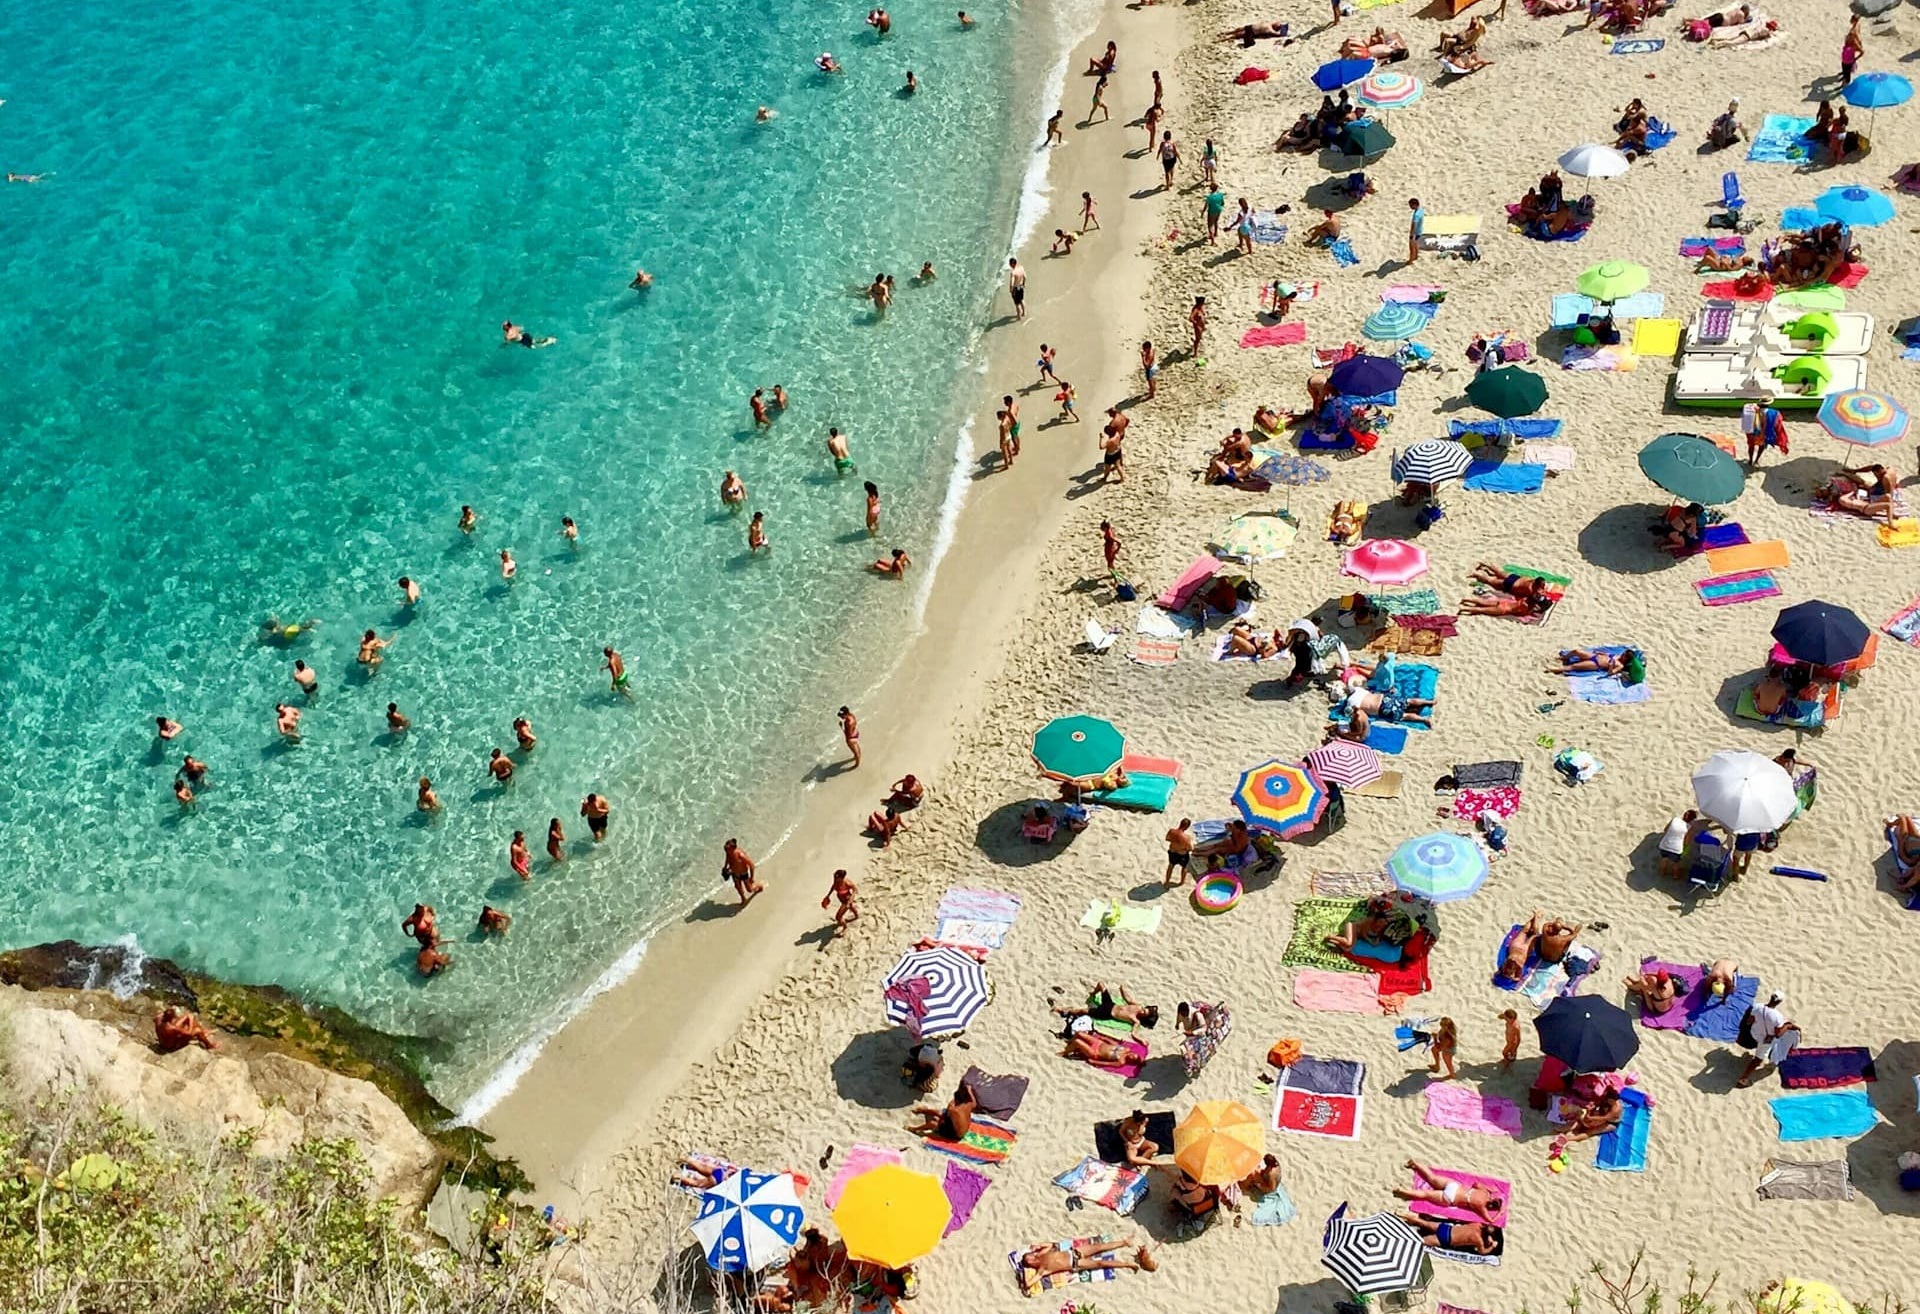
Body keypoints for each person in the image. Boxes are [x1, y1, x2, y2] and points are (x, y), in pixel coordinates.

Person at [1396, 1160, 1501, 1220]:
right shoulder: (1481, 1206)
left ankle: (1415, 1163)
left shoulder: (1485, 1193)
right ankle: (1401, 1190)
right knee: (1425, 1194)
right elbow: (1490, 1220)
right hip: (1451, 1198)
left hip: (1454, 1186)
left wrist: (1490, 1189)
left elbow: (1476, 1184)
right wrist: (1500, 1213)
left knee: (1431, 1177)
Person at [1016, 1239, 1150, 1284]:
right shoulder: (1041, 1271)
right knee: (1101, 1263)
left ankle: (1124, 1242)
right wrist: (1025, 1275)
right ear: (1030, 1265)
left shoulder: (1041, 1254)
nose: (1033, 1258)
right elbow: (1029, 1284)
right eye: (1030, 1260)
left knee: (1099, 1247)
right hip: (1075, 1264)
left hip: (1073, 1252)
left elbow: (1050, 1245)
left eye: (1031, 1255)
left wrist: (1038, 1245)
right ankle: (1129, 1264)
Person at [1736, 992, 1797, 1086]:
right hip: (1765, 1039)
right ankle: (1743, 1079)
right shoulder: (1778, 1016)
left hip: (1754, 1032)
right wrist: (1788, 1026)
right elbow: (1778, 1034)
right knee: (1757, 1059)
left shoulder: (1757, 1007)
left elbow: (1749, 1021)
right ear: (1779, 1002)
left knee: (1760, 1050)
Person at [1055, 983, 1159, 1029]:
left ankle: (1062, 1010)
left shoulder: (1136, 1021)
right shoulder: (1138, 1006)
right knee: (1101, 985)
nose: (1142, 1011)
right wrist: (1122, 989)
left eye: (1144, 1013)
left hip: (1107, 1013)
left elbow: (1134, 1033)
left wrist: (1141, 1040)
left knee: (1083, 1011)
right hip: (1110, 1004)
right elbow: (1128, 999)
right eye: (1145, 1010)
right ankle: (1092, 993)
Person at [1401, 1212, 1500, 1256]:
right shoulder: (1477, 1239)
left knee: (1423, 1223)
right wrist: (1492, 1246)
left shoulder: (1477, 1224)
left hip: (1447, 1228)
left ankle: (1402, 1215)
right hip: (1446, 1238)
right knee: (1420, 1242)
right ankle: (1401, 1236)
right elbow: (1482, 1252)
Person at [906, 1081, 976, 1139]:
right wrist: (969, 1090)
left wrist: (952, 1102)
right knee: (940, 1113)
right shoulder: (967, 1105)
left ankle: (914, 1129)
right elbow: (974, 1102)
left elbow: (950, 1108)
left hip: (955, 1133)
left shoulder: (955, 1111)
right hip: (959, 1126)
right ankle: (922, 1111)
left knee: (934, 1123)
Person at [154, 1006, 219, 1053]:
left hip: (163, 1041)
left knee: (187, 1016)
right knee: (197, 1030)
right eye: (174, 1017)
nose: (175, 1018)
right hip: (170, 1046)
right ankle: (209, 1046)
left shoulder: (159, 1017)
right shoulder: (171, 1028)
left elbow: (155, 1020)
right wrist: (191, 1020)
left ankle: (203, 1032)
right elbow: (189, 1033)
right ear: (170, 1019)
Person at [1658, 809, 1701, 878]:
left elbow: (1665, 829)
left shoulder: (1675, 819)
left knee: (1664, 859)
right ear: (1692, 820)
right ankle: (1675, 875)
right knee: (1676, 863)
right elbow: (1686, 842)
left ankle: (1662, 872)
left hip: (1664, 845)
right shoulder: (1689, 827)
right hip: (1676, 850)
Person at [723, 838, 763, 904]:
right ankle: (743, 898)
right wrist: (725, 868)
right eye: (725, 848)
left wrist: (751, 878)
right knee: (737, 887)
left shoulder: (740, 855)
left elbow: (752, 865)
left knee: (749, 889)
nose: (725, 850)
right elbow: (727, 860)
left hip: (743, 874)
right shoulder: (728, 853)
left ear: (733, 849)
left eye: (727, 849)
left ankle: (758, 886)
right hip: (734, 873)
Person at [822, 869, 859, 933]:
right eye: (835, 877)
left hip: (846, 900)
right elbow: (833, 887)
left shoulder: (847, 883)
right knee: (851, 906)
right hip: (841, 898)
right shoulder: (836, 881)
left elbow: (855, 890)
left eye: (837, 878)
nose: (835, 879)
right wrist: (828, 895)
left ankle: (845, 927)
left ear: (842, 878)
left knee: (838, 917)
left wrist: (850, 900)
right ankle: (856, 916)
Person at [1407, 196, 1424, 263]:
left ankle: (1410, 260)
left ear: (1415, 205)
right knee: (1416, 244)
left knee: (1411, 246)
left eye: (1411, 205)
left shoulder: (1416, 215)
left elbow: (1414, 224)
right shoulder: (1420, 210)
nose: (1410, 207)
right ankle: (1416, 256)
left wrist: (1412, 234)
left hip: (1415, 232)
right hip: (1419, 231)